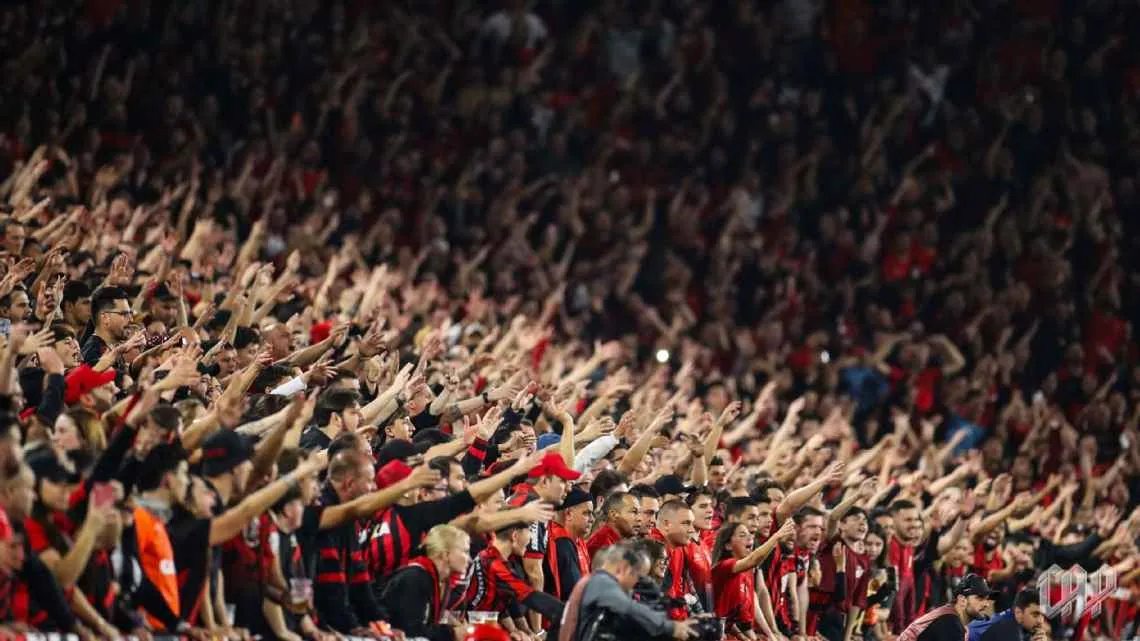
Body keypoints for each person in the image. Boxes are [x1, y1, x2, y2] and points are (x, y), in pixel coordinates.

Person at [559, 541, 697, 641]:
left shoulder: (593, 582)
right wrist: (671, 628)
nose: (637, 583)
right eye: (638, 576)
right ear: (624, 568)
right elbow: (627, 607)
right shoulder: (601, 582)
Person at [379, 524, 472, 641]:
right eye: (465, 551)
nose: (469, 559)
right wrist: (452, 633)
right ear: (445, 555)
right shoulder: (414, 578)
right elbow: (411, 632)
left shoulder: (438, 580)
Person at [897, 573, 995, 641]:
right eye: (980, 598)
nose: (986, 604)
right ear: (962, 600)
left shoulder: (951, 618)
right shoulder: (950, 623)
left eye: (987, 599)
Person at [971, 588, 1047, 641]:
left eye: (1042, 615)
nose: (1040, 621)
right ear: (1019, 613)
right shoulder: (1009, 629)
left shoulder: (1013, 619)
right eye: (1035, 615)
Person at [586, 492, 638, 559]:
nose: (639, 518)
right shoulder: (601, 544)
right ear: (613, 515)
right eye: (634, 512)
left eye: (639, 513)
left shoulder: (620, 542)